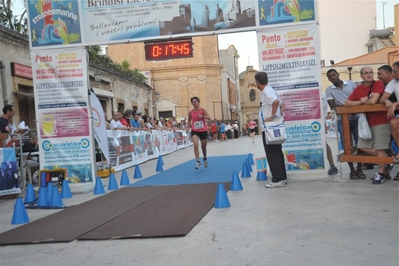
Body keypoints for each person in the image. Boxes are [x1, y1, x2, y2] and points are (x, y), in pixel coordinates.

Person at [344, 66, 390, 184]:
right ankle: (386, 161)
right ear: (361, 76)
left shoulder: (378, 83)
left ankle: (380, 174)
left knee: (380, 148)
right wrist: (361, 102)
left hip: (381, 121)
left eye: (371, 72)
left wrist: (362, 104)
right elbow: (347, 103)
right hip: (367, 123)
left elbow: (374, 101)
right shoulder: (359, 89)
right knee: (362, 146)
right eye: (366, 73)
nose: (369, 75)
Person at [325, 69, 364, 179]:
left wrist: (347, 106)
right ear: (328, 79)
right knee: (347, 145)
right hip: (342, 120)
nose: (333, 77)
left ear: (338, 74)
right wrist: (350, 107)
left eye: (334, 75)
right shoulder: (329, 90)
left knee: (361, 144)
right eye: (330, 77)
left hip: (356, 119)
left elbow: (358, 98)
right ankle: (352, 171)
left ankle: (359, 169)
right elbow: (332, 105)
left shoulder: (351, 84)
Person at [255, 72, 287, 188]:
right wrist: (278, 114)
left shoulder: (266, 91)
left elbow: (276, 102)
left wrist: (272, 116)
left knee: (272, 153)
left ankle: (277, 179)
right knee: (277, 152)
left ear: (258, 82)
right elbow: (282, 104)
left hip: (270, 128)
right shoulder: (271, 90)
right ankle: (282, 177)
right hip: (274, 127)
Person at [379, 61, 399, 181]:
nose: (392, 73)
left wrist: (395, 103)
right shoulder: (393, 82)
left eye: (394, 71)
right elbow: (383, 97)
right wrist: (386, 101)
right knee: (394, 122)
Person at [187, 96, 211, 169]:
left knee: (203, 147)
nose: (194, 103)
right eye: (193, 102)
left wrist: (202, 116)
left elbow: (209, 117)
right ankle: (197, 161)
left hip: (203, 130)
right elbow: (188, 120)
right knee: (195, 145)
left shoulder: (202, 110)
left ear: (198, 102)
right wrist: (189, 127)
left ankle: (205, 158)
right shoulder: (191, 112)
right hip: (195, 130)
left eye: (195, 101)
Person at [322, 93, 339, 175]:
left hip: (318, 123)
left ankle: (332, 165)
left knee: (323, 143)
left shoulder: (322, 95)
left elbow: (325, 111)